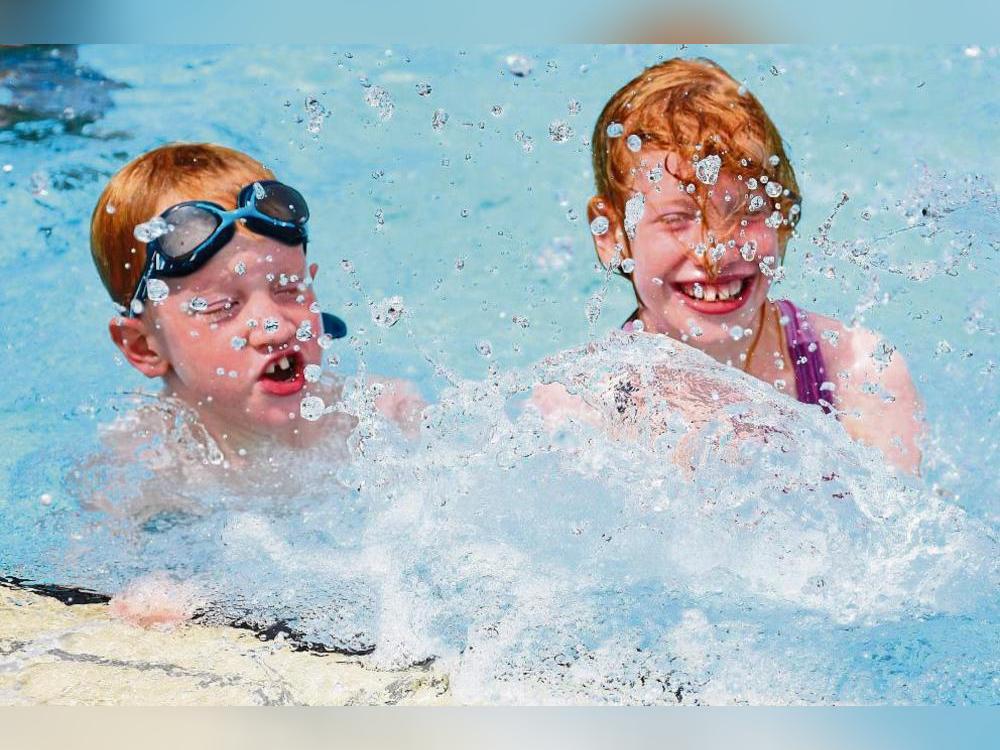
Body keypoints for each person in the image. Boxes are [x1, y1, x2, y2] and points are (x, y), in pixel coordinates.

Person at [89, 143, 422, 626]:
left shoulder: (379, 410)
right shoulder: (142, 461)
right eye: (223, 306)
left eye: (289, 290)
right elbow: (91, 570)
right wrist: (145, 593)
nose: (276, 327)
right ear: (143, 346)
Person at [557, 57, 922, 474]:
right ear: (611, 234)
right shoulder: (579, 408)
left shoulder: (858, 374)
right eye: (677, 218)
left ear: (782, 218)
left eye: (747, 213)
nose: (714, 252)